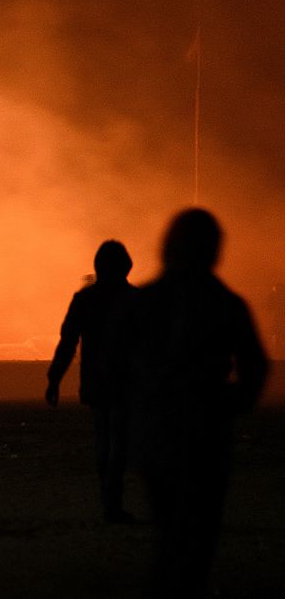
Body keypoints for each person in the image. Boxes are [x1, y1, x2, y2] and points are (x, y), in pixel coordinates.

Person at [132, 208, 267, 595]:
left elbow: (117, 363)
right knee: (198, 534)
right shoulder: (225, 303)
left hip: (156, 432)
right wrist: (229, 404)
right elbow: (255, 368)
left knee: (167, 528)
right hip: (206, 434)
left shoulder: (144, 301)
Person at [46, 240, 137, 523]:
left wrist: (54, 379)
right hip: (126, 381)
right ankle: (113, 499)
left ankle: (107, 498)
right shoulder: (135, 300)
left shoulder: (84, 300)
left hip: (96, 378)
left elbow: (68, 342)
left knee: (103, 437)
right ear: (126, 267)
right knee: (119, 440)